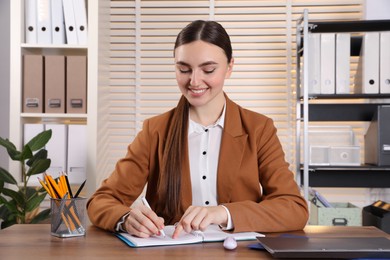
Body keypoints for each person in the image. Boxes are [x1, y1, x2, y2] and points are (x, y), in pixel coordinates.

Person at [87, 20, 308, 238]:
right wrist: (126, 219)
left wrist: (223, 213)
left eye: (208, 69)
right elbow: (102, 201)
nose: (194, 81)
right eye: (184, 69)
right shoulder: (155, 130)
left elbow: (293, 208)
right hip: (172, 253)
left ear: (230, 67)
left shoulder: (259, 129)